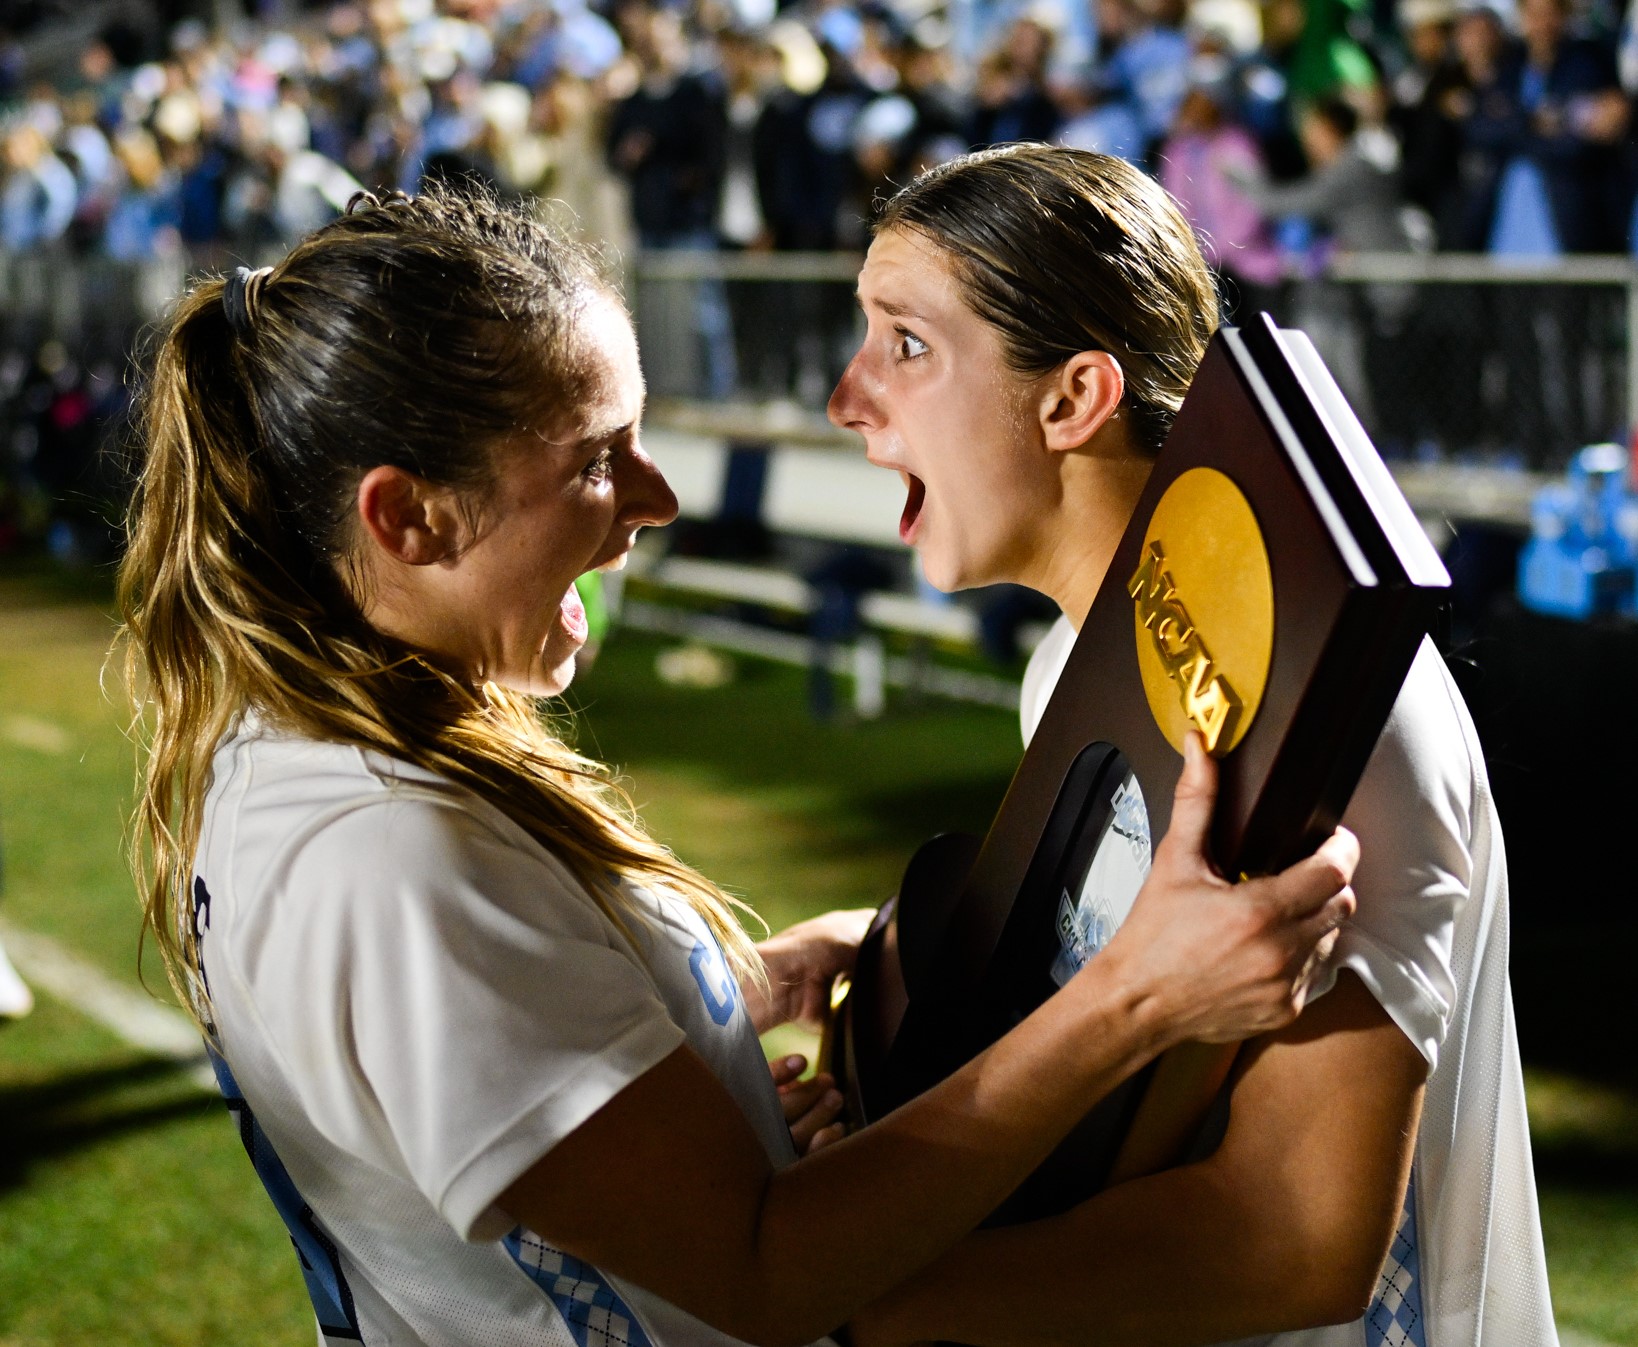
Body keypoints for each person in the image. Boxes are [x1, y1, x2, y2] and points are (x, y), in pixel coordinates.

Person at [116, 185, 1358, 1347]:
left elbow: (488, 1065)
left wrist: (718, 1017)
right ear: (409, 517)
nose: (653, 501)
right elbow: (763, 1272)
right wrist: (1135, 994)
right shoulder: (386, 851)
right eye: (599, 459)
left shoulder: (295, 756)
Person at [827, 143, 1557, 1347]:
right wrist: (869, 958)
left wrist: (859, 1312)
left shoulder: (1324, 702)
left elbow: (1294, 1236)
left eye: (905, 344)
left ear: (1072, 398)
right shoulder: (1069, 668)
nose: (848, 397)